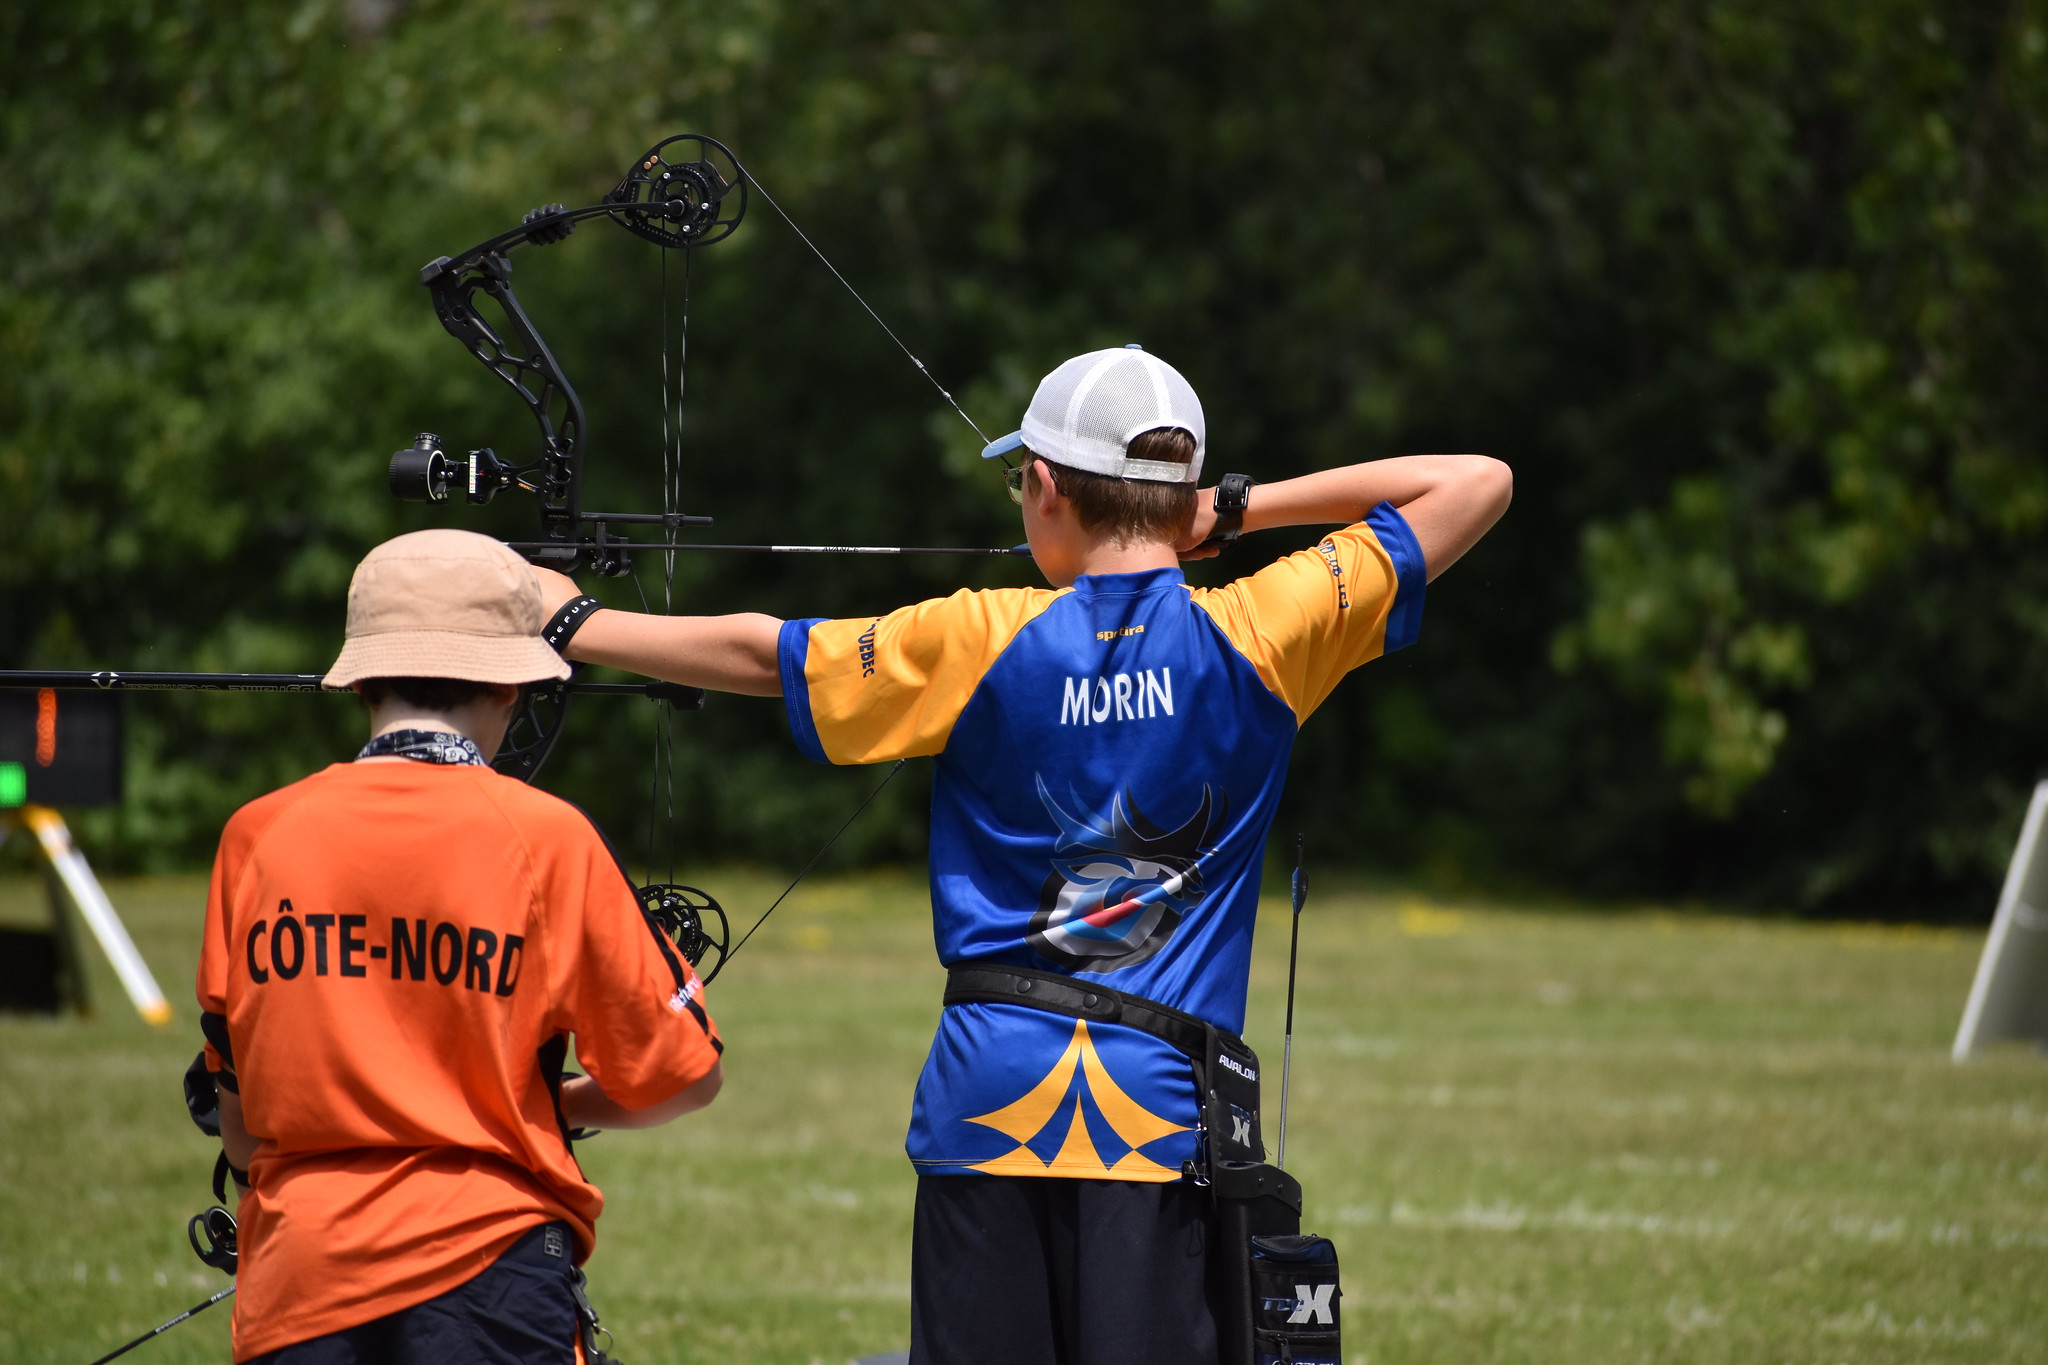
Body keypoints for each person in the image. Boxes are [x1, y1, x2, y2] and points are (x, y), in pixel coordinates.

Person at [534, 346, 1511, 1364]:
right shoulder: (1261, 629)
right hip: (1158, 1120)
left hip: (986, 1106)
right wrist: (1228, 510)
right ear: (1175, 495)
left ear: (1044, 487)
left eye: (1018, 480)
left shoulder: (977, 638)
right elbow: (1475, 482)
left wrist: (570, 620)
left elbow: (760, 653)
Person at [196, 529, 725, 1364]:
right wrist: (557, 1104)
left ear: (363, 677)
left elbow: (238, 1122)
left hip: (299, 1276)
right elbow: (686, 1076)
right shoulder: (549, 836)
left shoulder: (257, 833)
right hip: (491, 1277)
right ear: (514, 687)